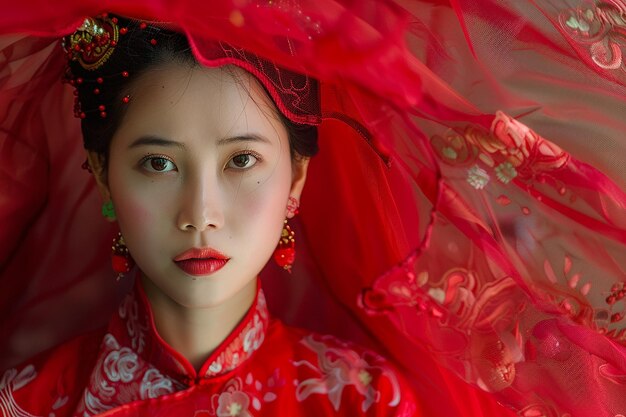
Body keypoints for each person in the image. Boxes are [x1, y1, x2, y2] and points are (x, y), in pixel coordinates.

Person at [3, 1, 626, 417]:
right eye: (158, 164)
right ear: (103, 178)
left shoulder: (362, 399)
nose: (201, 213)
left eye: (241, 161)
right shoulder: (30, 402)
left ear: (296, 179)